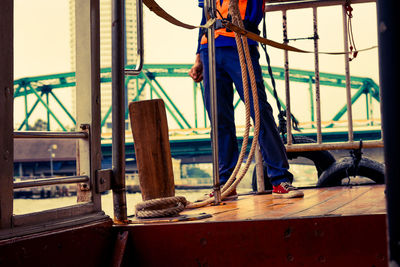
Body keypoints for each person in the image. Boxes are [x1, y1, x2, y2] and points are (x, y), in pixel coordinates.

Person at [189, 0, 303, 199]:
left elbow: (254, 11)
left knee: (259, 112)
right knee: (218, 119)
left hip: (239, 43)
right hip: (210, 50)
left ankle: (280, 179)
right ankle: (226, 184)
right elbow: (204, 18)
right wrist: (198, 57)